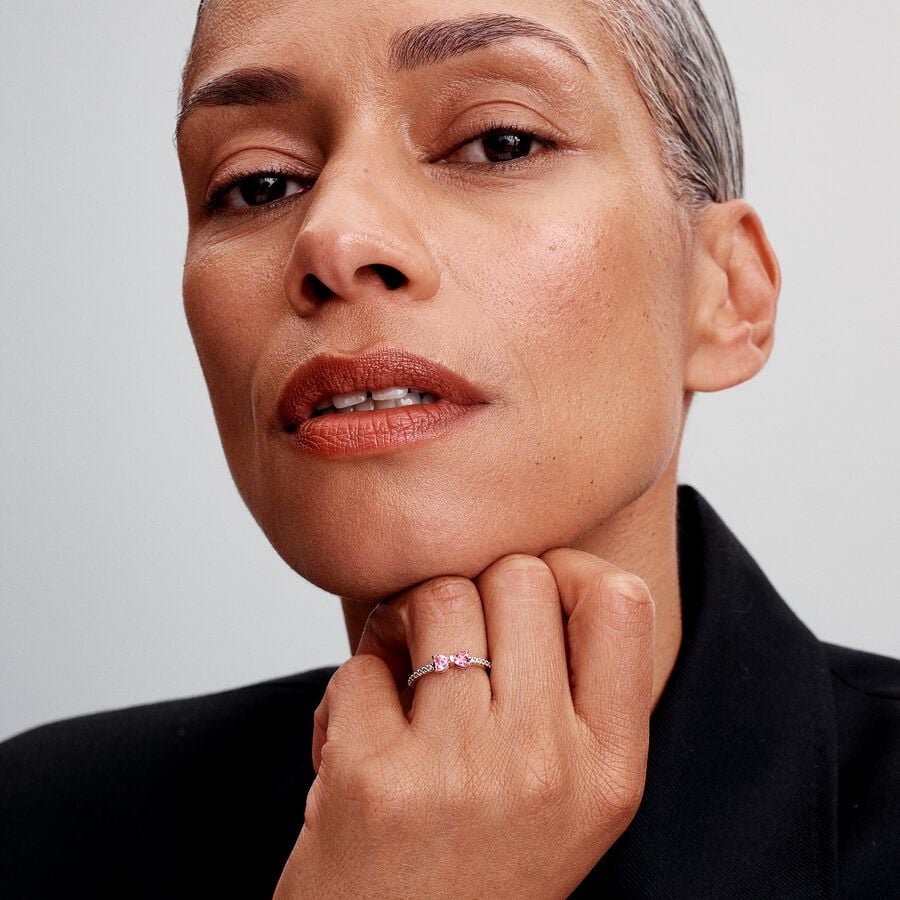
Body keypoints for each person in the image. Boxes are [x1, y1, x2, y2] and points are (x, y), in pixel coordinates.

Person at [1, 0, 898, 897]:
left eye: (499, 143)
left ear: (725, 292)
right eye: (259, 183)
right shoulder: (37, 833)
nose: (334, 238)